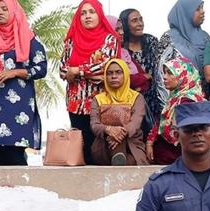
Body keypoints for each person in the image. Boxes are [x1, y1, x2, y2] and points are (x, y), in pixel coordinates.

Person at [0, 0, 46, 166]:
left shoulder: (28, 38)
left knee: (14, 154)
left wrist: (14, 72)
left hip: (17, 105)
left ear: (14, 12)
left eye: (4, 9)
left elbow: (41, 68)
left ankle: (19, 191)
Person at [60, 0, 119, 165]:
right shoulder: (71, 41)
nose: (87, 16)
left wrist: (77, 71)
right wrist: (84, 72)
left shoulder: (109, 39)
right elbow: (62, 69)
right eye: (83, 13)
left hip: (100, 102)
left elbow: (107, 64)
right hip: (76, 103)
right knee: (81, 146)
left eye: (91, 12)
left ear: (99, 15)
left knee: (100, 147)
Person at [155, 0, 210, 132]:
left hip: (203, 103)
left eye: (202, 8)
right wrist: (167, 109)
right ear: (186, 12)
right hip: (176, 107)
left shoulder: (206, 38)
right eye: (198, 9)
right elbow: (161, 77)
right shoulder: (169, 39)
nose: (203, 12)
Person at [146, 57, 205, 165]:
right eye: (164, 73)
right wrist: (150, 141)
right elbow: (162, 121)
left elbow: (186, 138)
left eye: (169, 73)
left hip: (177, 162)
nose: (164, 77)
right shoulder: (175, 98)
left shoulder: (188, 102)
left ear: (182, 75)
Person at [90, 58, 148, 166]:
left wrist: (118, 134)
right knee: (127, 163)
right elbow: (94, 125)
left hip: (131, 145)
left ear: (125, 75)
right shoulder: (98, 99)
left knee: (130, 162)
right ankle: (118, 156)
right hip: (104, 147)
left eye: (118, 72)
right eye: (109, 73)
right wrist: (109, 130)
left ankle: (119, 157)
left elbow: (135, 123)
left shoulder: (137, 97)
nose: (113, 76)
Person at [119, 8, 160, 122]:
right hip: (133, 101)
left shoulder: (151, 41)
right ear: (125, 25)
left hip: (155, 100)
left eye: (141, 19)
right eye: (134, 21)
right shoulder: (121, 49)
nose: (140, 24)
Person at [106, 15, 149, 93]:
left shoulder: (124, 52)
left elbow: (145, 78)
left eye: (121, 28)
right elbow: (123, 79)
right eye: (117, 29)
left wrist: (140, 82)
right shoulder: (105, 55)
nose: (122, 32)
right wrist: (142, 78)